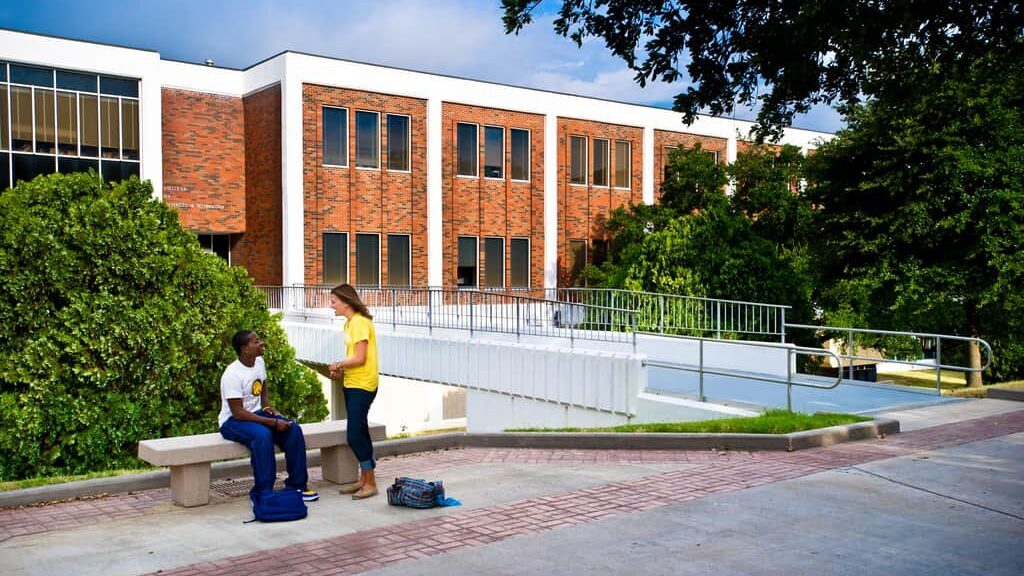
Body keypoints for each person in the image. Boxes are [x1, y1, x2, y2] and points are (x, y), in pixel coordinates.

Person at [218, 330, 319, 503]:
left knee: (293, 429)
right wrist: (272, 422)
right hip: (232, 421)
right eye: (256, 341)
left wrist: (270, 409)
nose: (261, 343)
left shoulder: (259, 362)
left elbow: (262, 388)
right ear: (244, 349)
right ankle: (264, 491)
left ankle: (297, 485)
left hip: (256, 414)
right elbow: (238, 412)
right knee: (262, 435)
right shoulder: (232, 374)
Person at [328, 284, 380, 500]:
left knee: (354, 434)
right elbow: (353, 357)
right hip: (352, 382)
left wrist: (338, 364)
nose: (331, 305)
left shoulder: (359, 323)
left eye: (333, 301)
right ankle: (364, 479)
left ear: (346, 302)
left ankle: (371, 482)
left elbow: (360, 358)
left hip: (363, 384)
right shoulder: (350, 324)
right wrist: (341, 370)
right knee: (360, 432)